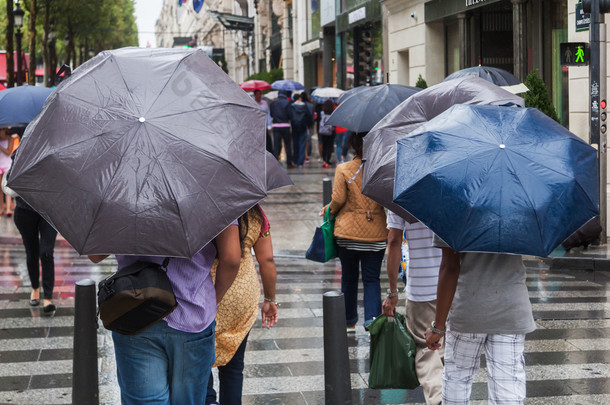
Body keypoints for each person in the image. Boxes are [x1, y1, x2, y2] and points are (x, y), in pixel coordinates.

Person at [88, 224, 241, 405]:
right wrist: (212, 300)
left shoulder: (120, 196)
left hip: (134, 310)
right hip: (193, 312)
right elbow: (231, 259)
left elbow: (95, 255)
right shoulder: (214, 196)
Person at [425, 237, 536, 404]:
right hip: (511, 309)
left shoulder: (451, 212)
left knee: (457, 379)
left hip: (468, 309)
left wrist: (438, 326)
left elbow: (450, 268)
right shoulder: (521, 211)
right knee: (508, 387)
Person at [206, 205, 278, 405]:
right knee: (234, 367)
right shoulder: (255, 212)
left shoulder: (203, 208)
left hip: (205, 291)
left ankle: (208, 400)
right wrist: (270, 299)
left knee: (200, 363)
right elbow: (267, 259)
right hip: (242, 295)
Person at [323, 132, 388, 331]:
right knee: (371, 279)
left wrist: (328, 210)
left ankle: (349, 320)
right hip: (376, 234)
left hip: (348, 235)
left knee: (349, 278)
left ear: (353, 145)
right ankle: (372, 320)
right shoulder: (382, 169)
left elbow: (338, 200)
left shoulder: (344, 169)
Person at [382, 212, 443, 405]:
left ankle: (440, 398)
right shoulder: (451, 188)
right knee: (449, 350)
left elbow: (393, 241)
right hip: (453, 285)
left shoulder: (401, 195)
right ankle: (454, 395)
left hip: (421, 289)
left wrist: (393, 292)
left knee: (427, 351)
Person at [270, 91, 294, 168]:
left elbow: (271, 114)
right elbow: (290, 115)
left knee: (276, 145)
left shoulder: (273, 103)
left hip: (276, 126)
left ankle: (275, 163)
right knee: (288, 145)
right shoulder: (288, 102)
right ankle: (289, 163)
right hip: (285, 125)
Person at [289, 93, 313, 167]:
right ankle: (300, 162)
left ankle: (295, 160)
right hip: (303, 127)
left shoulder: (292, 106)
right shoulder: (304, 106)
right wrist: (309, 125)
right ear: (299, 98)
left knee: (295, 144)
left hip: (294, 127)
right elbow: (308, 116)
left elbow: (290, 116)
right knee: (302, 144)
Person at [0, 127, 16, 216]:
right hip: (0, 164)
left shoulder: (10, 138)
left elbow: (8, 152)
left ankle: (9, 208)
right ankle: (2, 207)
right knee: (0, 188)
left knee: (7, 187)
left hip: (7, 165)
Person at [253, 89, 273, 154]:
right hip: (256, 127)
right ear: (255, 95)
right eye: (257, 94)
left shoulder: (264, 103)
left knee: (267, 143)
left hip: (264, 126)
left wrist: (269, 126)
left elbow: (268, 114)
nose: (259, 96)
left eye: (260, 94)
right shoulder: (252, 103)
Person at [318, 100, 336, 168]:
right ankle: (328, 160)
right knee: (329, 146)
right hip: (330, 132)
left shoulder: (322, 113)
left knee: (324, 146)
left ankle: (324, 161)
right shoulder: (333, 113)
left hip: (323, 132)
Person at [301, 91, 315, 163]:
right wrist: (312, 125)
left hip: (302, 124)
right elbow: (312, 116)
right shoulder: (311, 105)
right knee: (308, 139)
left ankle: (304, 154)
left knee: (303, 139)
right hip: (309, 125)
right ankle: (307, 154)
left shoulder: (300, 105)